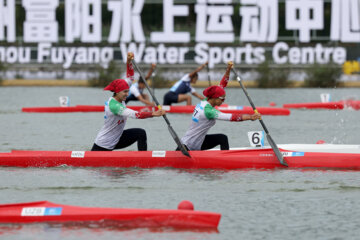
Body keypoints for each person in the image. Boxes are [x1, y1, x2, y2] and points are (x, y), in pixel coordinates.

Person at [179, 62, 261, 151]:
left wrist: (228, 69)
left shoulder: (205, 100)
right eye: (222, 99)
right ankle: (226, 161)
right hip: (189, 146)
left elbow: (222, 84)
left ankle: (225, 158)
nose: (223, 101)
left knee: (222, 138)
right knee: (222, 138)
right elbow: (230, 117)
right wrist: (250, 117)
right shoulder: (209, 111)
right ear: (214, 98)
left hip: (197, 141)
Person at [91, 79, 166, 152]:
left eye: (128, 91)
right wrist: (153, 113)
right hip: (104, 144)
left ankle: (143, 160)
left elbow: (130, 77)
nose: (127, 94)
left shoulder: (121, 98)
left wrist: (129, 65)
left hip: (117, 139)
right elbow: (135, 114)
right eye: (125, 92)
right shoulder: (114, 106)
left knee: (140, 133)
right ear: (117, 92)